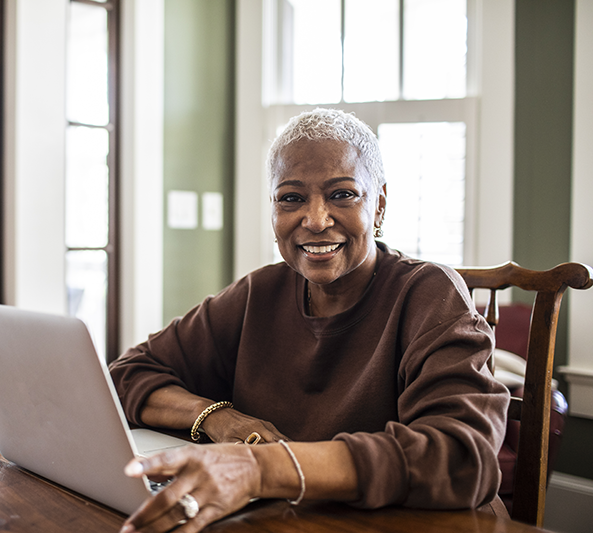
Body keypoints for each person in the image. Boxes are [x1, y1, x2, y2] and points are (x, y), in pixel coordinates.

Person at [109, 108, 509, 533]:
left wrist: (261, 468)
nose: (316, 220)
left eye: (342, 195)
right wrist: (218, 417)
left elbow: (462, 457)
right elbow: (128, 373)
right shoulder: (258, 293)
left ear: (379, 206)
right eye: (291, 198)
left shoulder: (429, 293)